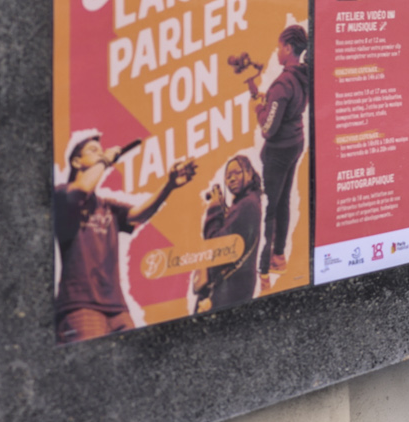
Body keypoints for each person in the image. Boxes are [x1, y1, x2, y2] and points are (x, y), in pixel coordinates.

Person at [53, 135, 196, 344]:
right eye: (93, 150)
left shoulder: (105, 206)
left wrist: (169, 185)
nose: (100, 153)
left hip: (117, 307)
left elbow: (138, 214)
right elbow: (82, 189)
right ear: (76, 162)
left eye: (101, 151)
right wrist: (106, 160)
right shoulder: (62, 195)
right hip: (80, 305)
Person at [255, 25, 311, 276]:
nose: (277, 51)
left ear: (288, 48)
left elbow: (268, 129)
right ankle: (279, 256)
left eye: (279, 47)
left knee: (269, 205)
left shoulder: (283, 84)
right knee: (284, 200)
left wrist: (259, 108)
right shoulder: (303, 75)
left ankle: (265, 262)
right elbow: (283, 111)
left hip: (279, 150)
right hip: (296, 142)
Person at [194, 153, 264, 314]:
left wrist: (214, 209)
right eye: (228, 176)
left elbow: (214, 245)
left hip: (230, 287)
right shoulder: (249, 202)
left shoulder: (246, 205)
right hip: (236, 284)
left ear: (249, 172)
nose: (231, 179)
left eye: (236, 173)